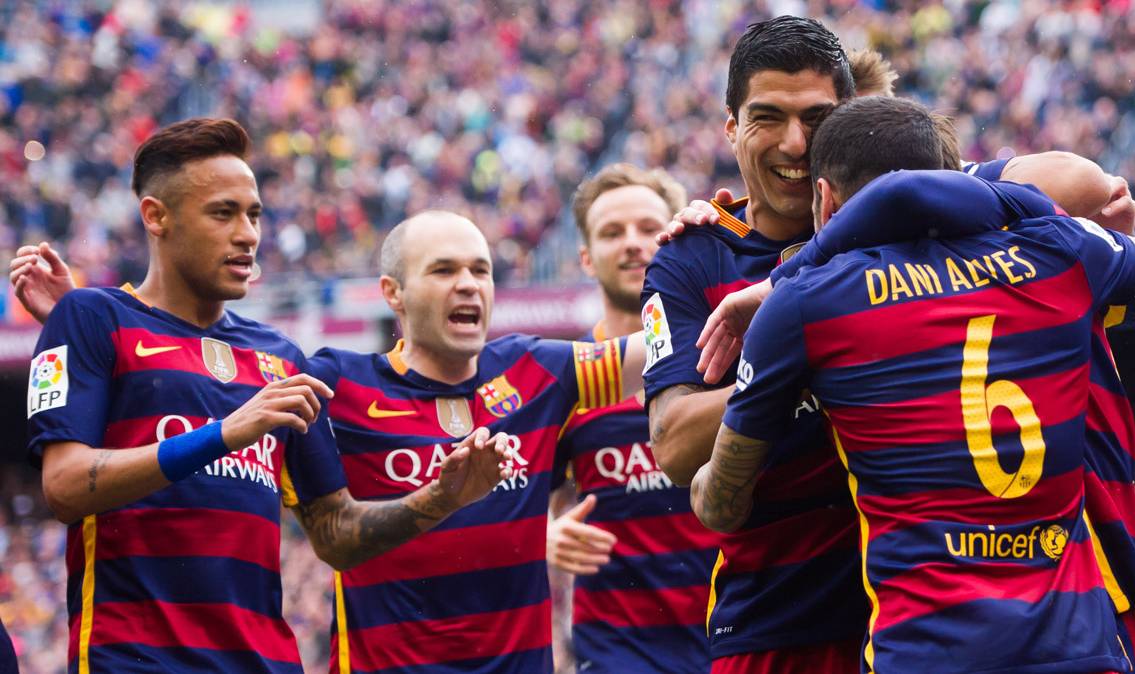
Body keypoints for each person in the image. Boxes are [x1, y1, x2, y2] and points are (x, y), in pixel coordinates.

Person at [691, 95, 1135, 672]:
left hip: (926, 650)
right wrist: (1002, 199)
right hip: (1077, 646)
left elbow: (720, 504)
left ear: (824, 199)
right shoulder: (1058, 253)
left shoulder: (804, 304)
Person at [18, 118, 513, 672]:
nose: (248, 234)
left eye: (253, 214)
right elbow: (63, 488)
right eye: (223, 213)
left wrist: (439, 499)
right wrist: (226, 434)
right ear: (156, 217)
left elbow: (335, 534)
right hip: (138, 660)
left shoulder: (280, 357)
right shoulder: (92, 316)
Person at [302, 210, 647, 673]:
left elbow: (668, 347)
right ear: (393, 292)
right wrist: (443, 498)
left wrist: (713, 258)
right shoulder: (339, 385)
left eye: (480, 270)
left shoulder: (537, 370)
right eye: (444, 270)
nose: (468, 284)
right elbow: (332, 538)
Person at [641, 16, 869, 673]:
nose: (797, 144)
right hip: (778, 624)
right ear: (731, 126)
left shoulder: (911, 217)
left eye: (818, 117)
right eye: (768, 117)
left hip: (927, 604)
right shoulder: (689, 261)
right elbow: (677, 443)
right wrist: (821, 350)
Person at [547, 163, 719, 673]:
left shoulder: (720, 355)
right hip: (618, 656)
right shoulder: (566, 384)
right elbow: (515, 504)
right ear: (585, 257)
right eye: (611, 233)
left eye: (649, 228)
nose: (632, 244)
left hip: (735, 642)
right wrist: (545, 535)